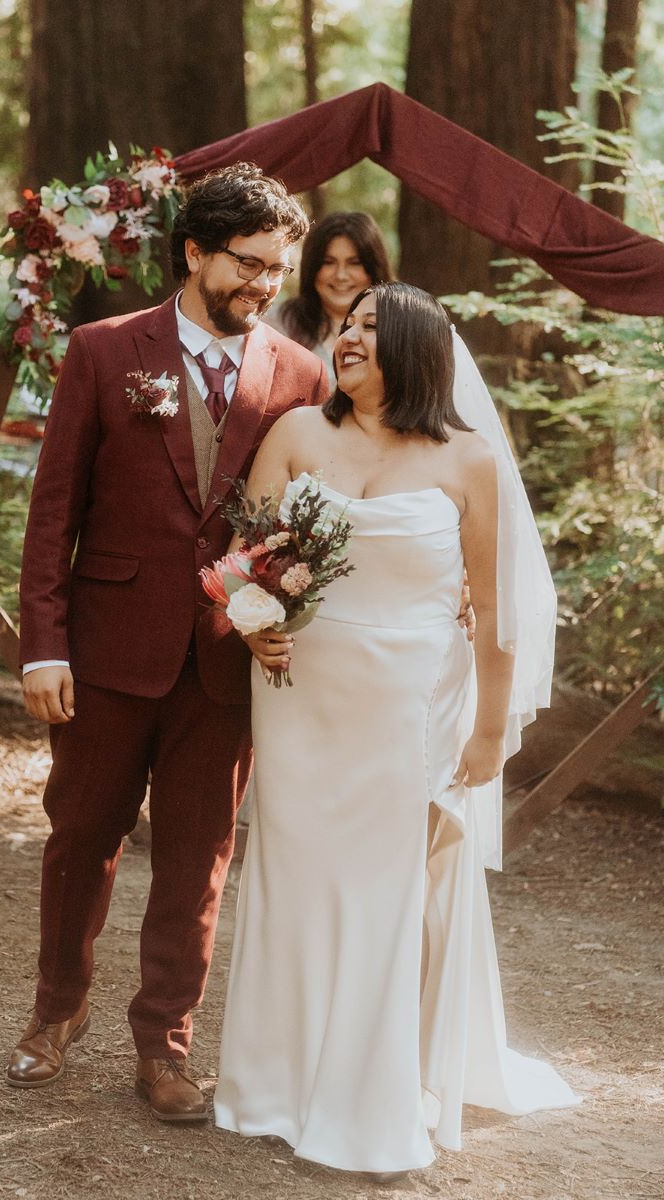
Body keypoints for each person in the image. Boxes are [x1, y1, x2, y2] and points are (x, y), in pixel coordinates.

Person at [214, 282, 579, 1174]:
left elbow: (494, 612)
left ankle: (368, 1106)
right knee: (295, 880)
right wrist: (249, 613)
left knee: (384, 894)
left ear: (415, 349)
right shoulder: (297, 433)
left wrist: (490, 731)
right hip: (299, 694)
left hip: (410, 704)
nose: (349, 338)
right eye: (348, 325)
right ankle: (272, 1081)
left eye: (373, 330)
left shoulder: (465, 460)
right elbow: (241, 558)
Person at [6, 164, 329, 1120]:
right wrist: (43, 647)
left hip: (226, 663)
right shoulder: (105, 352)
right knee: (81, 842)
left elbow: (303, 522)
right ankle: (55, 1014)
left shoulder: (301, 375)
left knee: (199, 861)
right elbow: (51, 511)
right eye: (248, 263)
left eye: (278, 269)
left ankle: (164, 1048)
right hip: (104, 653)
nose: (264, 285)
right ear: (192, 252)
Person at [271, 210, 392, 385]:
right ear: (312, 268)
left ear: (374, 269)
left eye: (354, 263)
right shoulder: (278, 324)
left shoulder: (401, 326)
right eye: (328, 262)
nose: (341, 275)